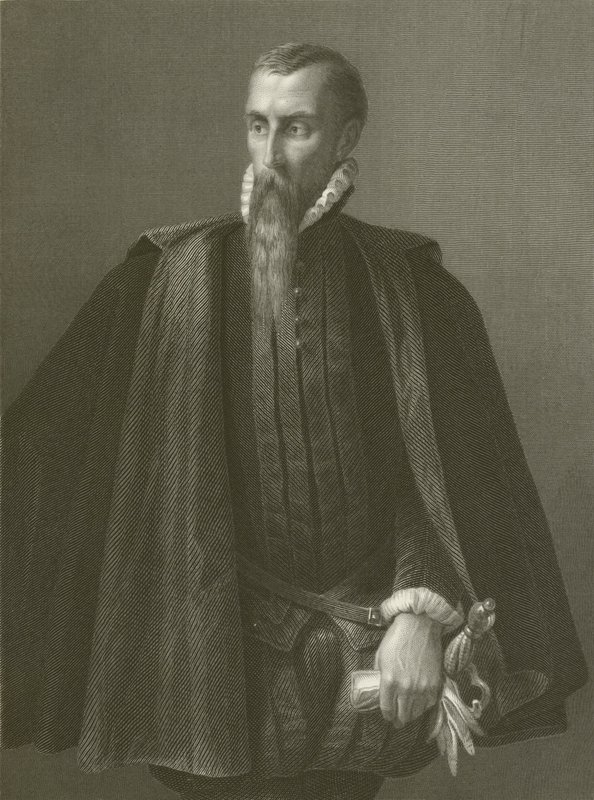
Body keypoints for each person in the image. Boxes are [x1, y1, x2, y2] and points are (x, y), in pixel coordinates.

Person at [1, 43, 587, 800]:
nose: (271, 153)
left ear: (346, 138)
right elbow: (44, 453)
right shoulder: (164, 278)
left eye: (297, 128)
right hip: (208, 662)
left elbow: (453, 483)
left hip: (365, 661)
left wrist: (423, 613)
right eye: (258, 125)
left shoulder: (410, 288)